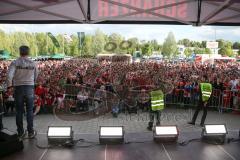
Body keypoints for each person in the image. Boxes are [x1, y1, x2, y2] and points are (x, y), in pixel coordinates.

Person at [7, 45, 38, 138]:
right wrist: (32, 83)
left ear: (20, 52)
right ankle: (31, 131)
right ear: (28, 52)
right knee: (29, 110)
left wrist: (9, 86)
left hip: (18, 88)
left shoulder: (15, 62)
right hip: (29, 87)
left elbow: (9, 76)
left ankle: (20, 132)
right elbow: (36, 75)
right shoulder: (33, 63)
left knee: (19, 111)